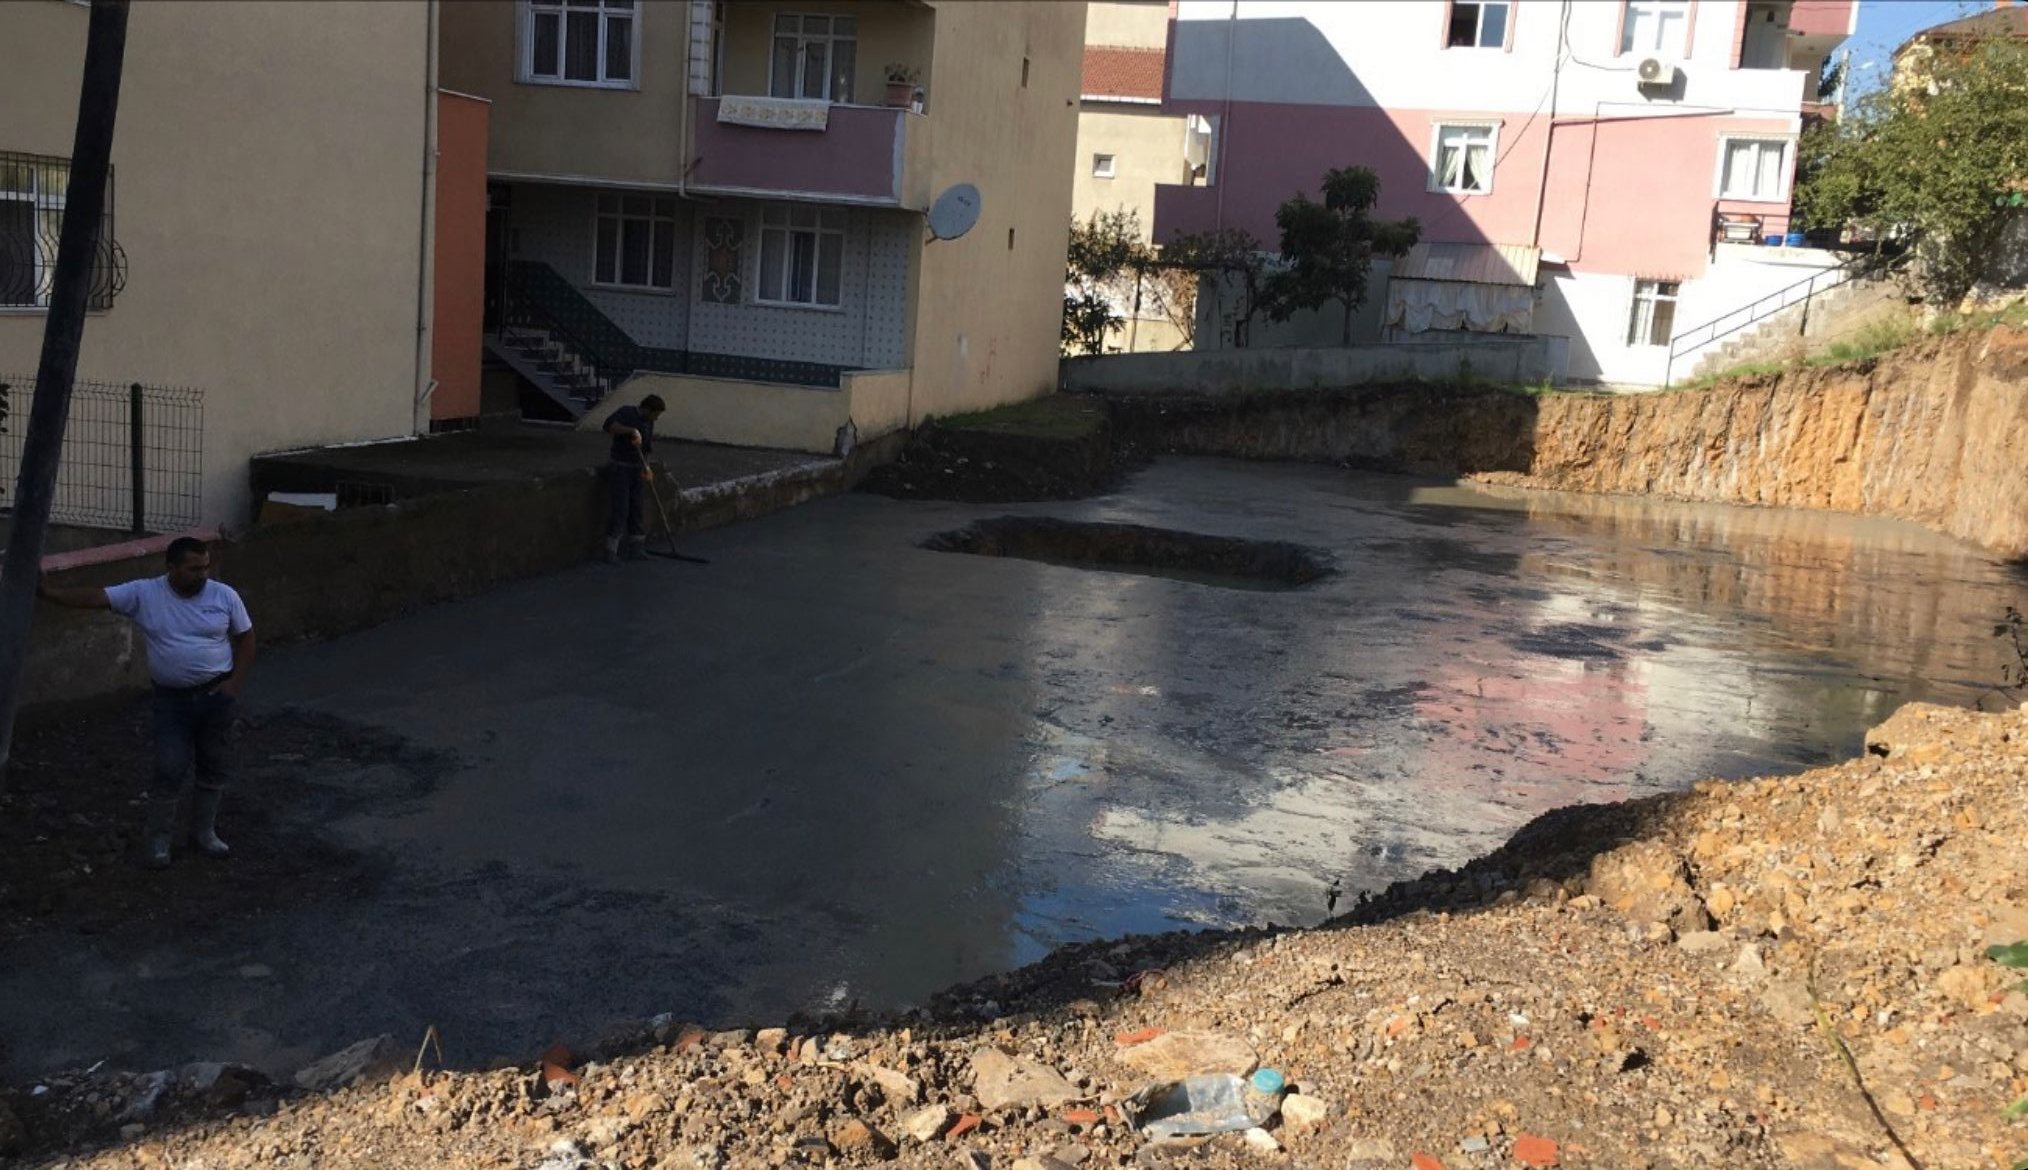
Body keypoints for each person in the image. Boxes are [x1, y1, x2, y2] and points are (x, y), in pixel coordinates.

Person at [38, 536, 255, 869]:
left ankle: (204, 833)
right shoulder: (145, 594)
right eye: (193, 569)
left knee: (214, 764)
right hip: (172, 702)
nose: (202, 575)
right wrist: (49, 593)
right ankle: (158, 841)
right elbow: (97, 597)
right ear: (171, 567)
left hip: (216, 698)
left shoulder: (224, 596)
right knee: (169, 767)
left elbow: (246, 637)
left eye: (205, 567)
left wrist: (234, 684)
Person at [601, 394, 666, 564]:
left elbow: (646, 447)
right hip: (621, 467)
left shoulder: (649, 422)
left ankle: (636, 547)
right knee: (621, 508)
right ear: (647, 409)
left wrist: (647, 467)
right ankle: (611, 550)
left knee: (637, 507)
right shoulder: (626, 413)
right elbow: (609, 426)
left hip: (638, 468)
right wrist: (631, 431)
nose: (656, 418)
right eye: (656, 414)